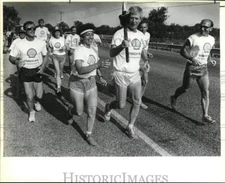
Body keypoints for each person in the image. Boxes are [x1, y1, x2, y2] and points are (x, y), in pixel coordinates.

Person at [104, 6, 149, 139]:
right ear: (128, 19)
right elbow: (111, 53)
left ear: (140, 20)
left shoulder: (141, 36)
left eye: (136, 18)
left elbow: (143, 53)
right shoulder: (119, 34)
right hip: (120, 73)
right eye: (132, 18)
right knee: (121, 104)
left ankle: (130, 126)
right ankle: (108, 107)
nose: (134, 21)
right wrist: (121, 46)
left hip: (135, 74)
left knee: (136, 101)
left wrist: (146, 62)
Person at [67, 23, 110, 146]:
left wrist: (100, 76)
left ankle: (88, 134)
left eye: (92, 35)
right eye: (87, 35)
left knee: (92, 111)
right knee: (79, 112)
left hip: (91, 82)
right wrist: (98, 65)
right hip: (77, 83)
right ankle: (70, 111)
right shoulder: (79, 50)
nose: (91, 37)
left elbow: (95, 65)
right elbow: (80, 69)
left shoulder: (92, 50)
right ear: (82, 37)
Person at [170, 19, 217, 124]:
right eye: (201, 26)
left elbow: (207, 51)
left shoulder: (212, 39)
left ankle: (205, 115)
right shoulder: (193, 37)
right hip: (191, 68)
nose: (202, 28)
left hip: (204, 69)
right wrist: (192, 59)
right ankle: (174, 97)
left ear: (211, 28)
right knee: (185, 88)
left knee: (205, 92)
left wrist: (210, 60)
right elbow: (182, 51)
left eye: (205, 27)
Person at [9, 21, 48, 123]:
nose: (32, 30)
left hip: (37, 70)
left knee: (39, 95)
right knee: (28, 95)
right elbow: (11, 57)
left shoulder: (41, 42)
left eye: (33, 28)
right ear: (25, 31)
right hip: (25, 71)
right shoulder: (19, 44)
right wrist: (16, 61)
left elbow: (46, 55)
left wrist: (43, 67)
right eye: (29, 29)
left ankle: (36, 101)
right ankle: (31, 112)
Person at [138, 19, 153, 109]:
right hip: (134, 59)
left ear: (147, 28)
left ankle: (139, 100)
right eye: (141, 27)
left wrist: (148, 53)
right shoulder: (135, 35)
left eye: (144, 27)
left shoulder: (148, 35)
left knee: (145, 81)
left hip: (143, 60)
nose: (143, 29)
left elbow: (145, 48)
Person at [49, 26, 67, 96]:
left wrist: (64, 47)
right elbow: (50, 48)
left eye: (58, 32)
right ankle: (58, 87)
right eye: (56, 32)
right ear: (54, 33)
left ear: (60, 32)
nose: (57, 33)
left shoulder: (63, 38)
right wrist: (50, 53)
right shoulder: (51, 39)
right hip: (55, 56)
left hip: (63, 57)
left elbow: (66, 47)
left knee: (61, 71)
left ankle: (60, 74)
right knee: (57, 72)